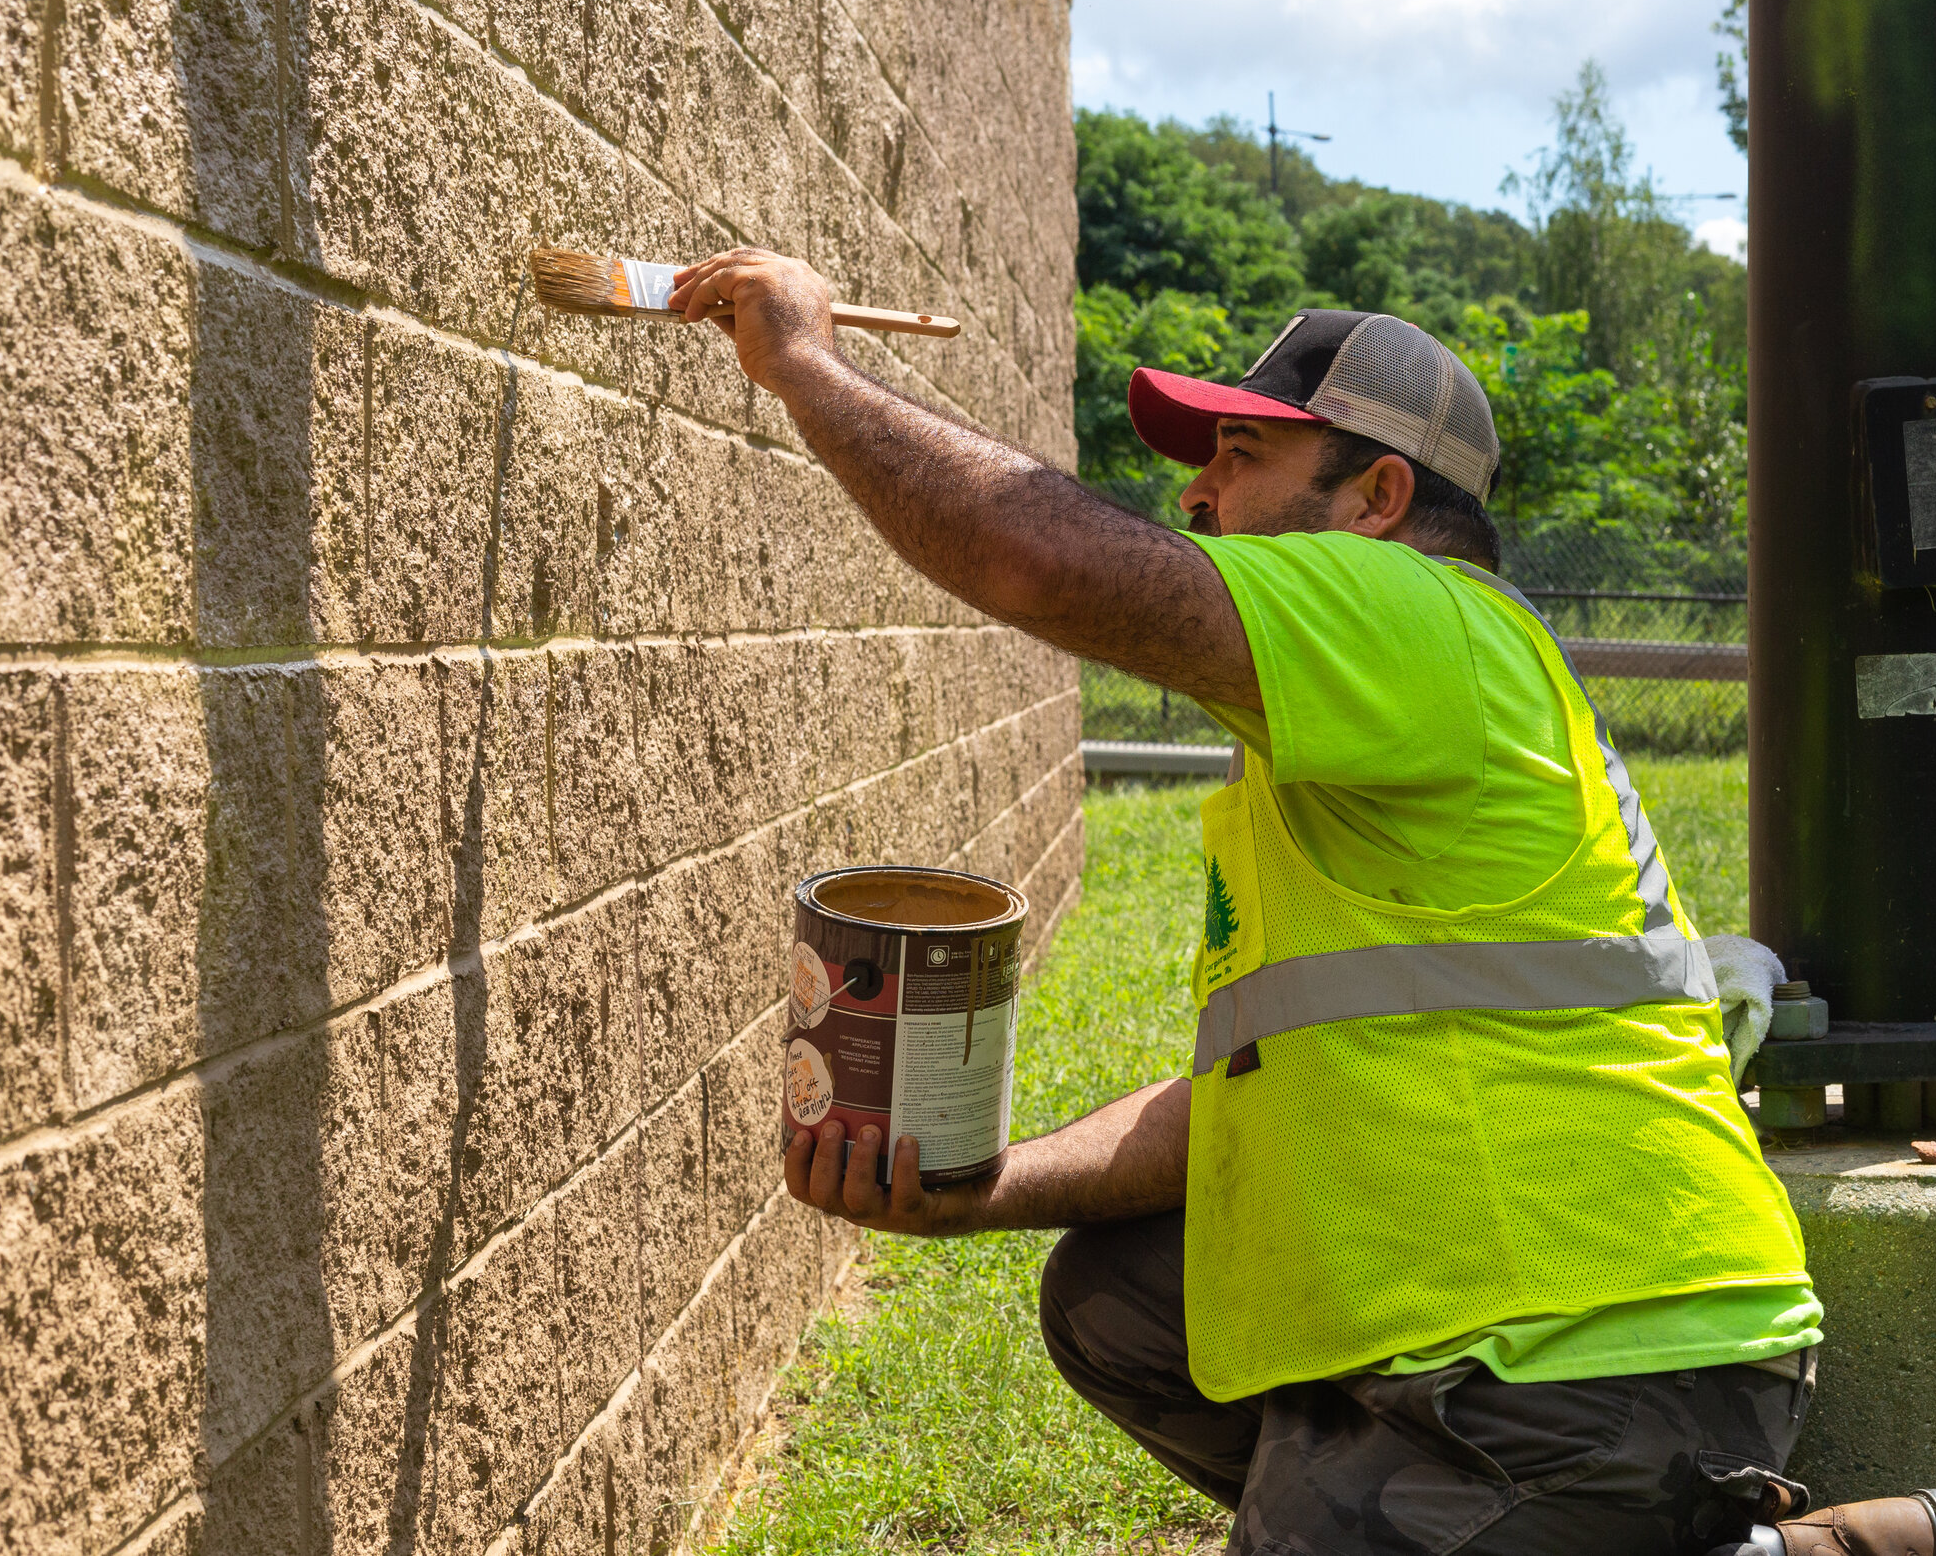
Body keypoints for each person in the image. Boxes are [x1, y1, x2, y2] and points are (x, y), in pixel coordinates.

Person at [671, 249, 1824, 1555]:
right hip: (1517, 1342)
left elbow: (1037, 558)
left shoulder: (1419, 613)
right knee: (1123, 1297)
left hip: (1593, 1359)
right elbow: (1243, 1096)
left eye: (1243, 458)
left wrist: (807, 367)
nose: (1195, 493)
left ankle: (1661, 1533)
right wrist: (978, 1189)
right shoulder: (1353, 738)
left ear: (1379, 496)